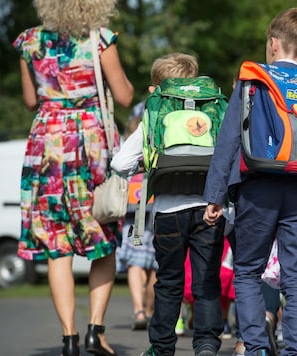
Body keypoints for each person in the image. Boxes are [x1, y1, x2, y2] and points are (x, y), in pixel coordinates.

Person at [203, 7, 297, 356]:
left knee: (246, 271)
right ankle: (295, 349)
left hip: (258, 187)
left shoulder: (253, 80)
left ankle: (257, 348)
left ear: (273, 43)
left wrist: (215, 196)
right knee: (296, 277)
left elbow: (228, 141)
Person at [13, 0, 134, 355]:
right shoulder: (99, 39)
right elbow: (125, 96)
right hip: (90, 146)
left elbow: (29, 100)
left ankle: (68, 338)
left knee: (56, 245)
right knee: (104, 232)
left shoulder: (29, 42)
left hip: (48, 148)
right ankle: (96, 331)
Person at [111, 52, 226, 356]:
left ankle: (161, 348)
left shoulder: (156, 110)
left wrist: (147, 164)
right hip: (209, 207)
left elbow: (120, 163)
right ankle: (206, 345)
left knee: (169, 282)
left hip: (167, 212)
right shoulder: (213, 105)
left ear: (157, 86)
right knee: (206, 281)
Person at [116, 102, 159, 331]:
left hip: (133, 214)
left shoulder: (128, 140)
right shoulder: (160, 132)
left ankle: (138, 310)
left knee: (134, 263)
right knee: (155, 265)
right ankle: (150, 310)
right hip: (156, 210)